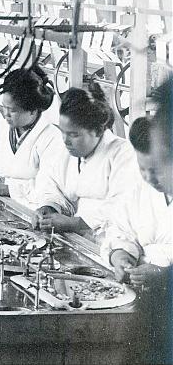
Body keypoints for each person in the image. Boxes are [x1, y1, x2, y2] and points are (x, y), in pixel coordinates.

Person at [30, 82, 141, 234]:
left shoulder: (123, 154)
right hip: (75, 237)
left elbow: (122, 206)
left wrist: (74, 223)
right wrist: (48, 208)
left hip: (110, 241)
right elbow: (52, 184)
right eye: (63, 132)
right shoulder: (66, 151)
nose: (65, 140)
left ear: (98, 130)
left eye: (73, 134)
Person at [0, 67, 64, 208]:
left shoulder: (52, 138)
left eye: (12, 110)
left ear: (32, 110)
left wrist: (5, 189)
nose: (6, 114)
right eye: (4, 107)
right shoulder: (2, 128)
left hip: (33, 209)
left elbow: (49, 189)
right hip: (3, 204)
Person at [102, 117, 171, 288]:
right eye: (143, 169)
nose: (149, 178)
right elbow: (121, 229)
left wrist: (165, 275)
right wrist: (121, 255)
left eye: (157, 170)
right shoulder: (140, 190)